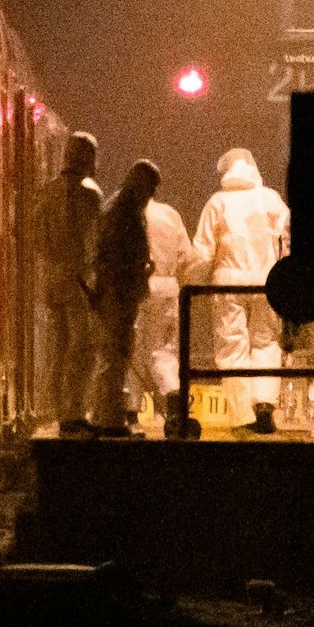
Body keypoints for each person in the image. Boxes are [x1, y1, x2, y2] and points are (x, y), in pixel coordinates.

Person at [193, 147, 291, 434]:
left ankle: (242, 416)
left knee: (231, 345)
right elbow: (289, 238)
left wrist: (192, 284)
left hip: (228, 282)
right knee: (266, 342)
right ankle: (264, 406)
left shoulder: (217, 202)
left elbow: (202, 251)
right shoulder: (270, 199)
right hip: (267, 281)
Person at [81, 161, 157, 436]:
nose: (151, 195)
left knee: (114, 356)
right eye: (151, 188)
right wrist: (140, 270)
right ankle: (109, 419)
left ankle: (106, 415)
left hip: (116, 292)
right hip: (118, 293)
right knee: (115, 355)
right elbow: (117, 257)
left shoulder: (119, 207)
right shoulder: (124, 212)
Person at [37, 132, 102, 436]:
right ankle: (74, 412)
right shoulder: (89, 193)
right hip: (79, 280)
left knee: (59, 347)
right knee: (82, 347)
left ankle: (57, 409)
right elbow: (93, 241)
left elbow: (35, 235)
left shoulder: (46, 192)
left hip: (52, 278)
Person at [127, 160, 197, 431]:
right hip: (168, 288)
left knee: (131, 349)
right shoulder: (171, 215)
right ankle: (173, 395)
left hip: (135, 288)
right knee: (164, 350)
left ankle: (130, 410)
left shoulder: (125, 214)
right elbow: (187, 258)